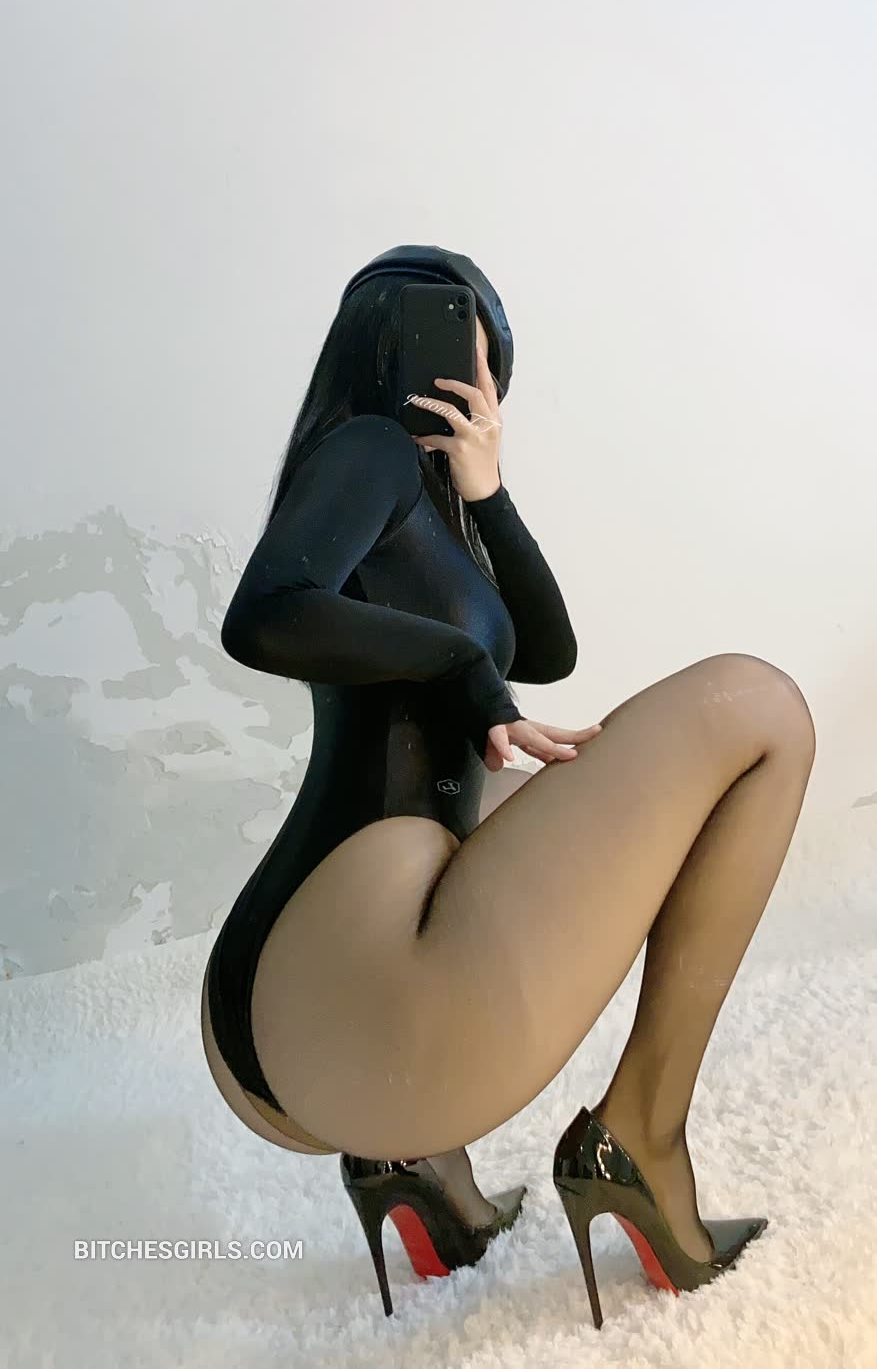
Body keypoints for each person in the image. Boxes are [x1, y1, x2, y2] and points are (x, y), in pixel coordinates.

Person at [201, 243, 816, 1326]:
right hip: (342, 982)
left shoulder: (419, 505)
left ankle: (417, 1167)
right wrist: (458, 666)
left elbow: (548, 650)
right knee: (761, 711)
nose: (483, 383)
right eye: (470, 350)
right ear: (406, 338)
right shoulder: (369, 450)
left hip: (308, 1000)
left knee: (584, 774)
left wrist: (488, 493)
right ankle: (643, 1137)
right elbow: (264, 615)